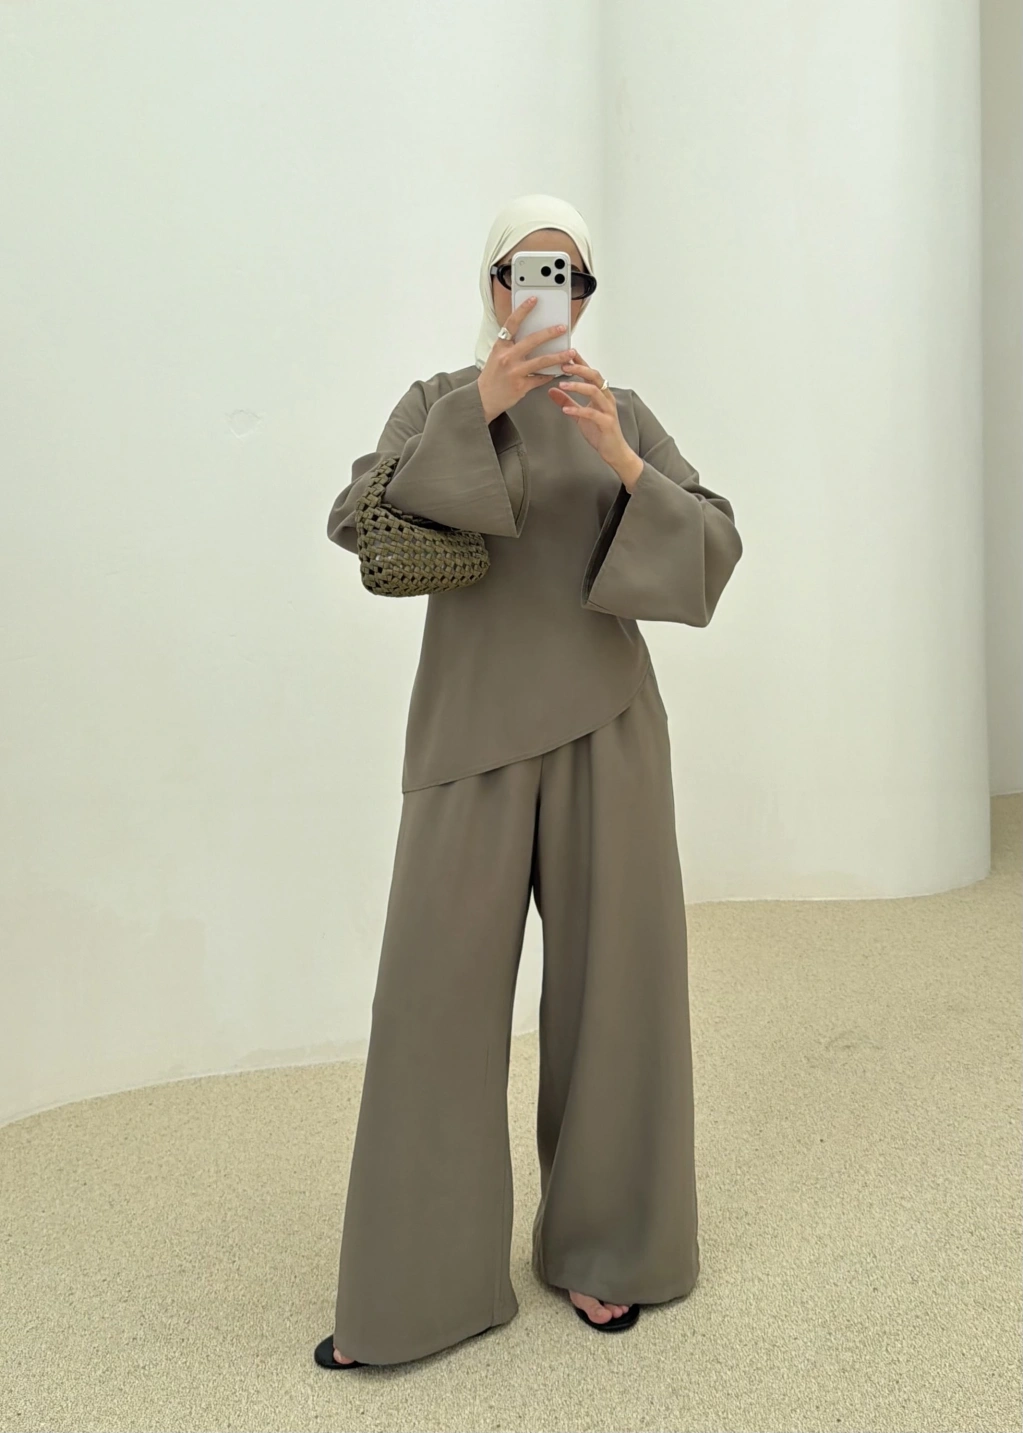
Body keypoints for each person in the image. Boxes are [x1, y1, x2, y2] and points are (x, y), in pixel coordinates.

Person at [314, 194, 743, 1370]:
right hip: (469, 733)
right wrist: (487, 408)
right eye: (523, 270)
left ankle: (612, 1248)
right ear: (493, 285)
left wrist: (620, 461)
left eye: (567, 276)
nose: (543, 292)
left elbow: (711, 547)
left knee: (619, 993)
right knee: (433, 1003)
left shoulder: (623, 410)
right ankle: (419, 1287)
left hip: (610, 723)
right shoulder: (437, 401)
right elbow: (364, 513)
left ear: (585, 298)